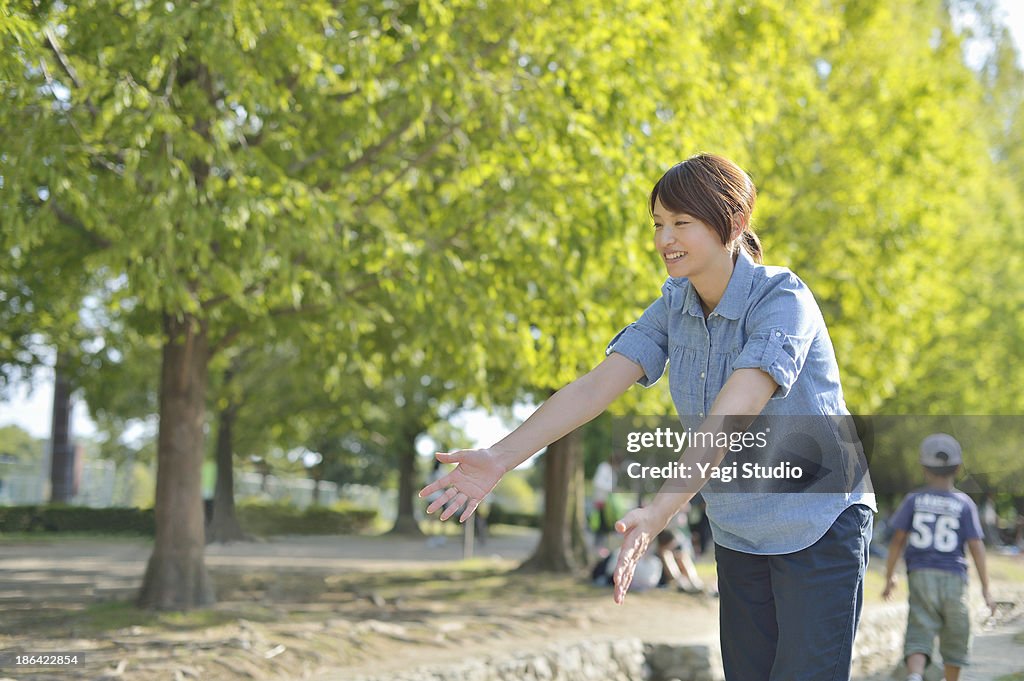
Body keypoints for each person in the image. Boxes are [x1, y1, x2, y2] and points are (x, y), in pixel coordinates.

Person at [419, 153, 875, 681]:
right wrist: (500, 458)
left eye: (682, 223)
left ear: (733, 224)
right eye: (659, 223)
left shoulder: (782, 299)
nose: (665, 239)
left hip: (820, 522)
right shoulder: (674, 306)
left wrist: (660, 510)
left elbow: (736, 409)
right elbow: (596, 387)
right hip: (741, 531)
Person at [882, 433, 995, 681]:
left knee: (920, 628)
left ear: (923, 468)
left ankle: (914, 675)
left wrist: (890, 576)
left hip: (920, 574)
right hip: (954, 578)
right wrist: (986, 588)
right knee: (956, 632)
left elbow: (897, 541)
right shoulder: (965, 504)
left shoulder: (914, 499)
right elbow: (976, 547)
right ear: (958, 468)